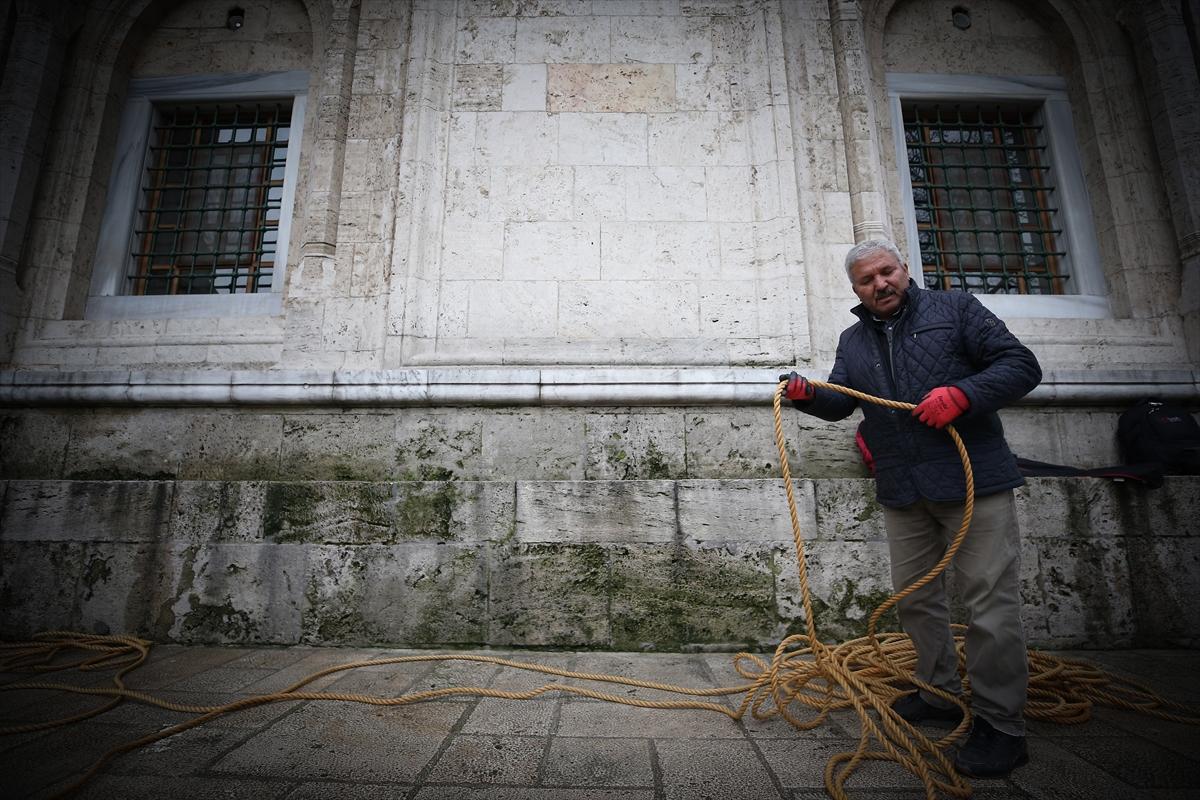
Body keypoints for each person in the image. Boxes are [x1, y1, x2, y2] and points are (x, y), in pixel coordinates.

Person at [779, 237, 1041, 778]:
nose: (881, 284)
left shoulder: (957, 309)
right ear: (855, 290)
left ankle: (1003, 725)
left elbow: (1021, 365)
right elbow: (844, 401)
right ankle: (938, 691)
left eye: (887, 272)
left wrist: (963, 395)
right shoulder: (853, 340)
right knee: (917, 601)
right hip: (904, 488)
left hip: (974, 484)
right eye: (867, 280)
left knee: (989, 605)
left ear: (904, 269)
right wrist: (809, 395)